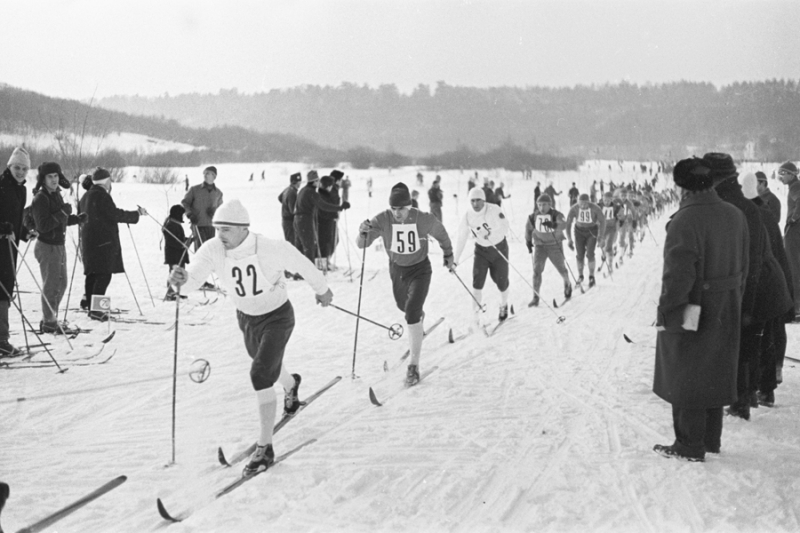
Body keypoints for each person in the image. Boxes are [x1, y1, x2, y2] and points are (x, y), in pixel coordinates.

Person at [168, 199, 334, 476]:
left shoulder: (270, 247)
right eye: (217, 228)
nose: (220, 235)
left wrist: (322, 290)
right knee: (266, 364)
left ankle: (265, 447)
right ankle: (291, 386)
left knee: (259, 373)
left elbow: (305, 266)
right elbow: (194, 278)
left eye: (226, 230)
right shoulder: (213, 248)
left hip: (278, 317)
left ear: (244, 229)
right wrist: (181, 279)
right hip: (247, 319)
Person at [652, 157, 748, 462]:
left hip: (694, 306)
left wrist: (668, 313)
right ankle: (710, 439)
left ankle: (689, 444)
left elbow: (678, 275)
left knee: (687, 371)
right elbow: (744, 267)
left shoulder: (685, 220)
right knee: (715, 369)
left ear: (683, 186)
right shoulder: (734, 214)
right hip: (728, 304)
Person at [357, 182, 454, 386]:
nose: (397, 213)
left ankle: (413, 365)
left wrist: (448, 253)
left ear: (409, 206)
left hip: (420, 269)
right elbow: (362, 243)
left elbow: (441, 233)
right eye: (394, 209)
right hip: (397, 270)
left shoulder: (423, 218)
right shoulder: (383, 218)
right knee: (404, 307)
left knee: (411, 311)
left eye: (401, 209)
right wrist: (362, 231)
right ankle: (417, 317)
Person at [707, 153, 765, 420]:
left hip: (733, 287)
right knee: (745, 341)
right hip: (749, 285)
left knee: (729, 344)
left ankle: (736, 399)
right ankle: (745, 394)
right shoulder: (747, 205)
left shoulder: (723, 206)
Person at [740, 173, 793, 408]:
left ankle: (753, 390)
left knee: (755, 339)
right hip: (775, 284)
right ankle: (765, 390)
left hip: (761, 284)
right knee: (768, 337)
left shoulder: (750, 216)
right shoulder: (767, 214)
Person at [81, 167, 146, 321]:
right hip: (103, 242)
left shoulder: (85, 196)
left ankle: (89, 305)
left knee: (92, 274)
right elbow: (114, 214)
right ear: (107, 181)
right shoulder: (102, 196)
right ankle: (97, 310)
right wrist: (136, 214)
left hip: (89, 241)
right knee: (104, 275)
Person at [30, 162, 84, 332]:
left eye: (56, 176)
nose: (54, 180)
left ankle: (51, 318)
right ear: (43, 179)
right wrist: (63, 213)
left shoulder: (56, 195)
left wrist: (76, 219)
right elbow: (43, 226)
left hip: (58, 246)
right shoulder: (41, 198)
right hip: (47, 247)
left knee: (61, 284)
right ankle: (49, 323)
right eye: (50, 176)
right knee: (52, 286)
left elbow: (62, 221)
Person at [453, 187, 510, 322]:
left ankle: (503, 304)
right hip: (481, 252)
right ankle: (476, 316)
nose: (475, 204)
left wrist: (491, 233)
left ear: (484, 200)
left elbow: (504, 226)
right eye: (472, 201)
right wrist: (455, 260)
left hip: (499, 249)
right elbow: (461, 237)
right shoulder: (468, 215)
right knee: (477, 283)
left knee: (501, 281)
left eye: (478, 200)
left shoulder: (494, 209)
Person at [0, 147, 33, 355]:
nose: (20, 171)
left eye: (24, 168)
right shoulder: (2, 186)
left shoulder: (21, 189)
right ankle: (2, 340)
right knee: (2, 293)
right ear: (9, 166)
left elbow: (16, 219)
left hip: (10, 248)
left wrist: (24, 232)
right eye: (17, 167)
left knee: (5, 291)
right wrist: (3, 228)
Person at [524, 193, 571, 307]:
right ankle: (535, 297)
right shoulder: (533, 216)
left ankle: (567, 283)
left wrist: (554, 225)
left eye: (544, 205)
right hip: (540, 246)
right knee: (536, 270)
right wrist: (528, 241)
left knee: (561, 268)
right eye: (539, 205)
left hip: (554, 245)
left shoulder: (556, 214)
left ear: (550, 204)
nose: (541, 208)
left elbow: (564, 224)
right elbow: (528, 228)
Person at [565, 193, 606, 287]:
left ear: (589, 202)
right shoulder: (574, 208)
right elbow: (568, 223)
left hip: (592, 231)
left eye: (585, 204)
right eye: (581, 203)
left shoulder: (595, 208)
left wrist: (601, 237)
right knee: (580, 254)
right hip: (579, 232)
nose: (583, 206)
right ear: (578, 202)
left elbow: (602, 221)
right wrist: (569, 239)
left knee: (590, 253)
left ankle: (591, 276)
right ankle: (580, 275)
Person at [182, 166, 223, 252]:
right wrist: (190, 214)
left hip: (211, 226)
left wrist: (215, 213)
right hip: (197, 224)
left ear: (214, 176)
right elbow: (185, 203)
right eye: (204, 173)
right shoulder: (194, 190)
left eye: (208, 173)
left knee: (209, 251)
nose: (205, 175)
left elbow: (221, 210)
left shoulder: (218, 193)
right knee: (200, 251)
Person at [778, 161, 800, 321]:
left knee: (793, 269)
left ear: (792, 174)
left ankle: (797, 307)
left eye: (784, 173)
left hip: (794, 233)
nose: (781, 176)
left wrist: (793, 219)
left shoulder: (795, 187)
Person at [162, 205, 191, 301]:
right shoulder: (170, 225)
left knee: (181, 273)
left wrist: (188, 240)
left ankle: (178, 291)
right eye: (181, 215)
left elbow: (180, 239)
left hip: (179, 254)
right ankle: (170, 293)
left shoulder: (176, 224)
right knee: (174, 273)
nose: (183, 217)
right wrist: (183, 244)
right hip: (174, 254)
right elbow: (173, 241)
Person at [597, 191, 622, 275]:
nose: (606, 202)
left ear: (611, 200)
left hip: (611, 228)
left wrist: (620, 219)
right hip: (602, 229)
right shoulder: (599, 206)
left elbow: (621, 213)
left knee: (608, 246)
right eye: (605, 200)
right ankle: (604, 254)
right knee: (602, 245)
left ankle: (610, 266)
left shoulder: (615, 207)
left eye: (608, 200)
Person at [278, 173, 302, 249]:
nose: (300, 184)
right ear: (296, 182)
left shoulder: (287, 189)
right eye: (299, 182)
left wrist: (285, 204)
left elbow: (279, 198)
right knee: (293, 246)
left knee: (290, 244)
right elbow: (293, 210)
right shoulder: (293, 193)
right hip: (290, 222)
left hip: (285, 221)